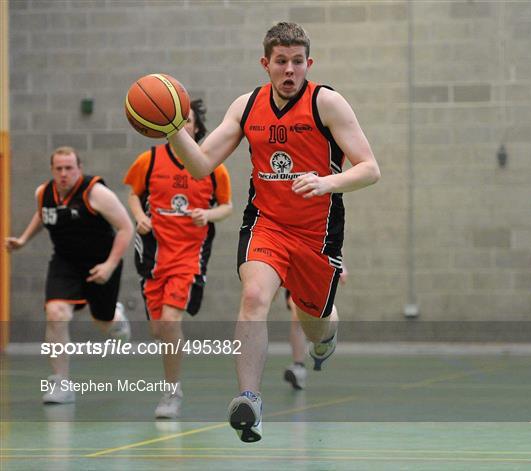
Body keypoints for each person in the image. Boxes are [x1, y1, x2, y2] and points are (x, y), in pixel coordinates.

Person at [165, 22, 380, 442]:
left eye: (297, 62)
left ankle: (326, 334)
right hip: (267, 223)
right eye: (281, 61)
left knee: (314, 322)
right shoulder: (247, 106)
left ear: (308, 63)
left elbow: (370, 168)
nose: (289, 70)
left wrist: (326, 182)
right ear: (266, 63)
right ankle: (250, 399)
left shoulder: (327, 103)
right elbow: (200, 165)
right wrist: (174, 129)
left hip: (317, 233)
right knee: (254, 296)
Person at [124, 99, 233, 419]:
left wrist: (208, 213)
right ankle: (172, 385)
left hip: (189, 255)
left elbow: (227, 206)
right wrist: (137, 217)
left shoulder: (213, 166)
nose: (180, 126)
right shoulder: (149, 160)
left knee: (171, 322)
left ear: (196, 128)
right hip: (155, 255)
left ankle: (171, 391)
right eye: (174, 121)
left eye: (185, 121)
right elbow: (132, 194)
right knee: (159, 330)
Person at [5, 146, 134, 404]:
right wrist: (22, 240)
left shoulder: (96, 193)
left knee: (103, 322)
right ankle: (61, 382)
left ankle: (116, 317)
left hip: (101, 263)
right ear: (52, 170)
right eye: (59, 169)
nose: (64, 173)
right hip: (65, 263)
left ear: (79, 168)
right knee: (55, 314)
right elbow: (42, 216)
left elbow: (125, 228)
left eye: (69, 168)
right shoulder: (43, 193)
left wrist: (109, 265)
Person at [283, 264, 348, 390]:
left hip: (319, 269)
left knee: (321, 315)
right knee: (296, 313)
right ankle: (298, 366)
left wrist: (340, 264)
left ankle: (327, 336)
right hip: (296, 270)